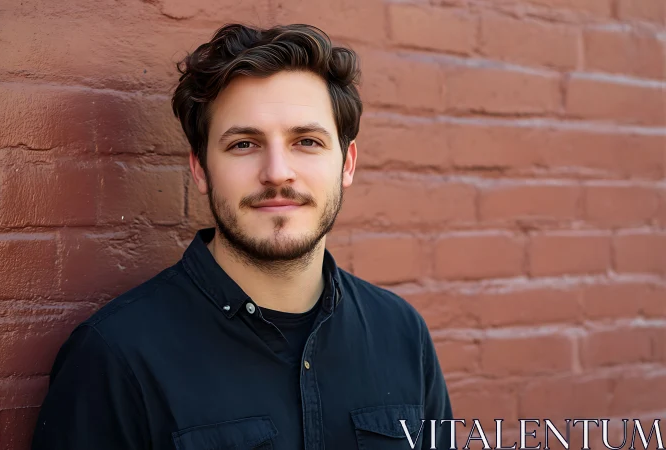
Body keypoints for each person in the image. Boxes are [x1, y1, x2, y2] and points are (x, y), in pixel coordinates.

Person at [31, 23, 453, 450]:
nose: (276, 173)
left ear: (347, 163)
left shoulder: (401, 334)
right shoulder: (117, 356)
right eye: (244, 145)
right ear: (200, 169)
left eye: (306, 141)